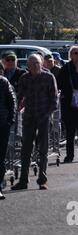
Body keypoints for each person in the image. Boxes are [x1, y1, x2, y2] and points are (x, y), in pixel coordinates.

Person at [11, 55, 58, 191]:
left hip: (44, 116)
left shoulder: (48, 77)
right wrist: (17, 108)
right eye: (33, 64)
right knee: (26, 149)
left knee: (43, 149)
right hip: (29, 117)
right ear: (28, 66)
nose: (36, 65)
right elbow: (20, 96)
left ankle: (42, 180)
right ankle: (23, 180)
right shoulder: (24, 78)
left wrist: (48, 113)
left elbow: (54, 98)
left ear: (41, 63)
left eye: (37, 63)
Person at [0, 63, 16, 200]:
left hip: (2, 124)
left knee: (0, 157)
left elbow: (12, 102)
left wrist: (10, 120)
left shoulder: (3, 82)